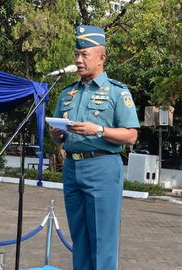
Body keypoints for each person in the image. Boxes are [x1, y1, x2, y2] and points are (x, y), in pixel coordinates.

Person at [49, 25, 139, 270]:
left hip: (103, 167)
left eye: (85, 54)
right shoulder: (68, 93)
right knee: (80, 238)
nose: (78, 60)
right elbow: (57, 137)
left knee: (102, 240)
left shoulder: (117, 92)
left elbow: (131, 135)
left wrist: (98, 130)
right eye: (76, 54)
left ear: (101, 57)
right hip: (72, 168)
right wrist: (56, 135)